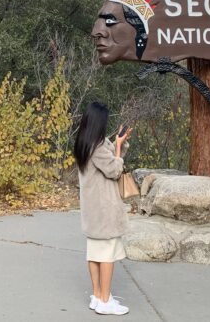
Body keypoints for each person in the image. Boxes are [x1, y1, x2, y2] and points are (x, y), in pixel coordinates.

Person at [74, 102, 132, 315]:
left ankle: (98, 296)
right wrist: (118, 148)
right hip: (104, 211)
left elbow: (110, 156)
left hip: (92, 211)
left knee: (95, 253)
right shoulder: (97, 147)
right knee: (107, 256)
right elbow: (115, 170)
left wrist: (119, 143)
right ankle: (106, 300)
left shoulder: (84, 143)